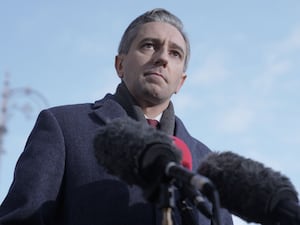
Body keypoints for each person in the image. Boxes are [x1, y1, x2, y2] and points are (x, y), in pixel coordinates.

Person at [0, 8, 233, 225]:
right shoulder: (63, 127)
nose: (162, 57)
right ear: (120, 64)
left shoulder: (207, 165)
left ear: (180, 81)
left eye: (175, 53)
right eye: (149, 45)